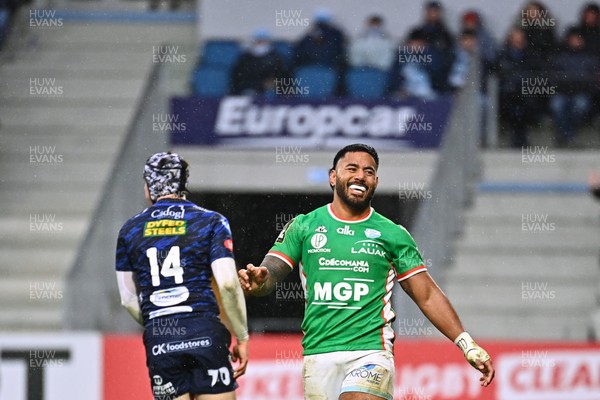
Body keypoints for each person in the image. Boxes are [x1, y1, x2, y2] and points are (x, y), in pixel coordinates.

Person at [238, 144, 495, 400]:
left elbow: (426, 294)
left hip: (371, 352)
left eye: (369, 171)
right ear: (333, 176)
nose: (361, 175)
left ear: (376, 182)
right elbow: (272, 271)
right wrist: (260, 280)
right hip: (319, 353)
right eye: (352, 168)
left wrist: (466, 344)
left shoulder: (393, 234)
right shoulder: (304, 225)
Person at [116, 152, 249, 400]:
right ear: (183, 185)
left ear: (149, 187)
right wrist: (242, 336)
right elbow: (229, 284)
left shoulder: (130, 230)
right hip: (204, 330)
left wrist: (159, 326)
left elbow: (127, 299)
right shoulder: (211, 221)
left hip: (160, 337)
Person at [549, 27, 599, 147]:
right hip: (562, 93)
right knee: (557, 106)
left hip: (583, 93)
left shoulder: (590, 59)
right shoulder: (560, 58)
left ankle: (566, 136)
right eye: (573, 39)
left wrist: (585, 87)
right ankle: (568, 137)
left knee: (580, 106)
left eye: (578, 39)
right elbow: (552, 78)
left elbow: (594, 80)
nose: (575, 41)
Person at [230, 28, 289, 96]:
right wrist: (261, 84)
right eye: (259, 41)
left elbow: (285, 76)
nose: (261, 44)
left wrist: (276, 82)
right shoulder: (245, 59)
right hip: (251, 90)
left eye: (264, 41)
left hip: (274, 91)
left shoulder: (277, 58)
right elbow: (239, 79)